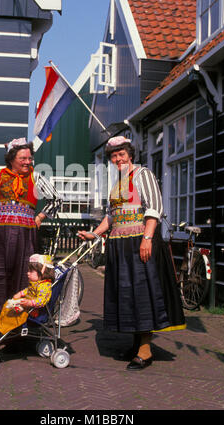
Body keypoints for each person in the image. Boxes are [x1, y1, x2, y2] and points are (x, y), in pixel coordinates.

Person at [78, 135, 186, 371]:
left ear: (130, 155)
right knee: (127, 296)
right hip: (119, 244)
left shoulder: (142, 174)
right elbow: (111, 216)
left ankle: (145, 351)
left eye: (121, 154)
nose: (118, 159)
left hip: (139, 242)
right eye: (114, 156)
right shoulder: (118, 183)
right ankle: (137, 344)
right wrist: (94, 234)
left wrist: (147, 238)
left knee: (142, 294)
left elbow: (154, 207)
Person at [0, 138, 62, 316]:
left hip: (25, 233)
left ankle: (20, 318)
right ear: (11, 158)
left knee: (24, 271)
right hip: (0, 232)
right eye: (23, 158)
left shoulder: (36, 177)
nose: (28, 162)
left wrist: (40, 217)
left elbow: (56, 199)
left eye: (30, 158)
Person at [0, 254, 55, 342]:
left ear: (43, 271)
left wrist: (30, 303)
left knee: (13, 316)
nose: (27, 273)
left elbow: (43, 300)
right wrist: (21, 293)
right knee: (7, 307)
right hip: (25, 305)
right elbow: (28, 290)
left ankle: (0, 332)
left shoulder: (45, 286)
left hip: (32, 310)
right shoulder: (36, 283)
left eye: (31, 271)